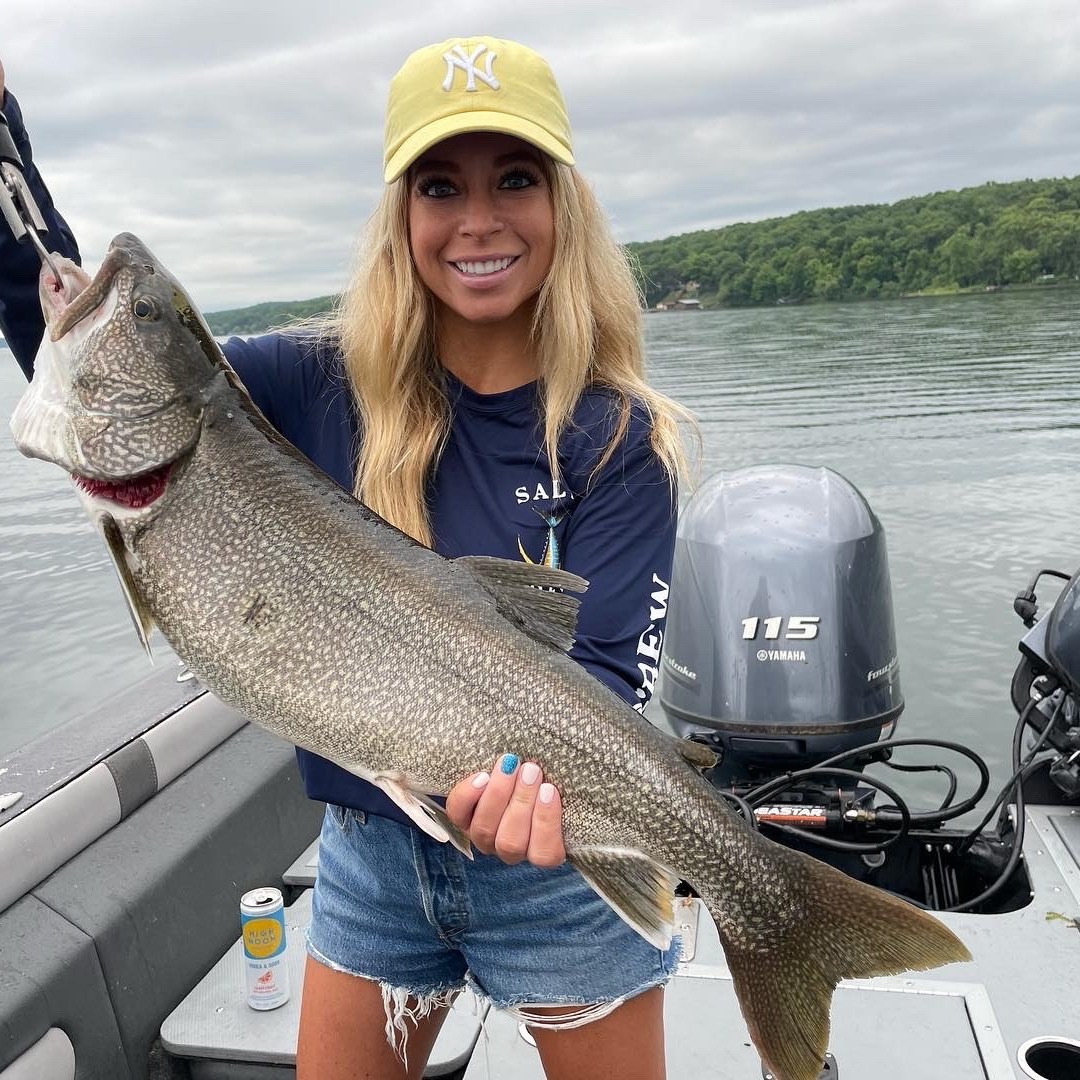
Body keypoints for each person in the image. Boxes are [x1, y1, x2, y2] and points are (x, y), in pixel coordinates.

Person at [0, 36, 690, 1080]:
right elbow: (81, 349)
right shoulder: (302, 383)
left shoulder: (620, 441)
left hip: (562, 875)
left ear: (565, 204)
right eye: (439, 186)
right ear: (400, 215)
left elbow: (602, 686)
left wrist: (539, 804)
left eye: (514, 178)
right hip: (370, 863)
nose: (477, 218)